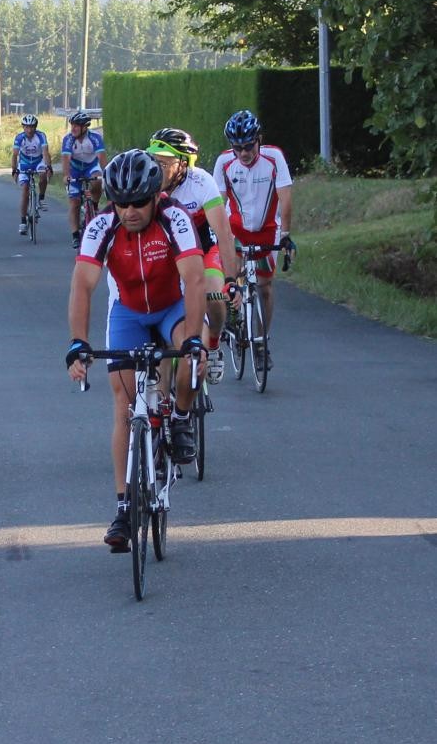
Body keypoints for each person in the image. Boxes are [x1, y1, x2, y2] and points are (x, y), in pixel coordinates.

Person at [66, 149, 208, 550]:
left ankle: (181, 417)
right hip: (128, 313)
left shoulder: (174, 218)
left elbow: (195, 279)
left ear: (155, 196)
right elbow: (83, 283)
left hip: (171, 308)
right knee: (123, 407)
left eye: (138, 202)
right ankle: (124, 508)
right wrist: (78, 342)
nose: (129, 211)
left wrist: (193, 338)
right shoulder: (102, 225)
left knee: (190, 356)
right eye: (121, 203)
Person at [147, 127, 241, 384]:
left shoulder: (201, 182)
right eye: (154, 161)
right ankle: (163, 403)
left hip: (202, 250)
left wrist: (230, 280)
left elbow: (223, 233)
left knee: (214, 294)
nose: (157, 169)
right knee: (163, 333)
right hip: (167, 256)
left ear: (182, 164)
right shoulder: (149, 181)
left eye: (164, 163)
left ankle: (214, 344)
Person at [213, 110, 295, 371]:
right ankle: (233, 312)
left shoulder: (274, 157)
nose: (243, 153)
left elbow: (285, 197)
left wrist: (286, 236)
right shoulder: (224, 162)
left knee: (265, 287)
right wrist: (216, 235)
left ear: (259, 140)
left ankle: (261, 342)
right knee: (233, 273)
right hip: (236, 229)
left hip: (267, 229)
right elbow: (217, 203)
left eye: (248, 146)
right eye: (237, 147)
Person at [61, 110, 107, 249]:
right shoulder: (68, 139)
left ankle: (94, 204)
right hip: (74, 170)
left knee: (97, 180)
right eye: (72, 125)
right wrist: (66, 175)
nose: (73, 128)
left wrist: (106, 173)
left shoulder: (95, 137)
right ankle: (75, 234)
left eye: (76, 126)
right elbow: (66, 158)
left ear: (85, 127)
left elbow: (101, 157)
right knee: (74, 202)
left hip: (91, 166)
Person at [11, 114, 53, 234]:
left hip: (38, 161)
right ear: (23, 127)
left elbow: (45, 153)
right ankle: (23, 221)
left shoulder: (41, 136)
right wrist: (14, 170)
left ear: (35, 127)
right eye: (27, 127)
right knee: (25, 190)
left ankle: (41, 198)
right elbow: (15, 155)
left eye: (32, 127)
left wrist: (48, 166)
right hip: (24, 163)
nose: (29, 130)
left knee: (43, 176)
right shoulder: (19, 137)